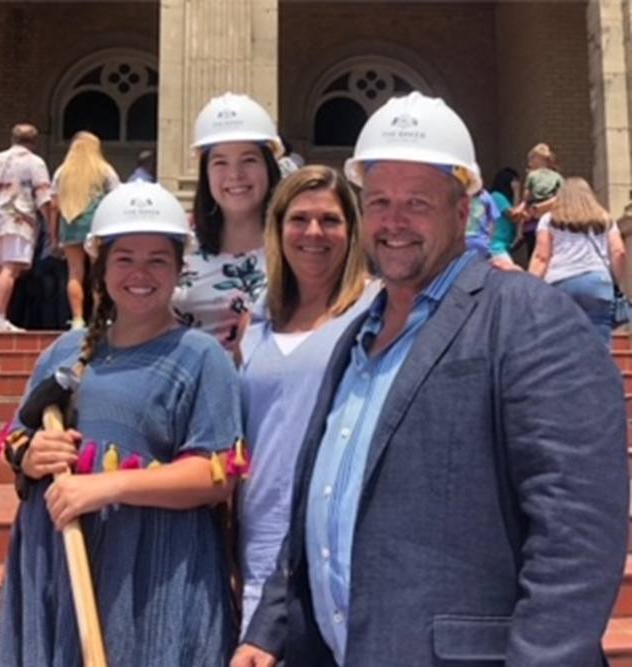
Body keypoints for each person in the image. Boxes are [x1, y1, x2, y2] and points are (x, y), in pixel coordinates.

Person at [232, 92, 628, 667]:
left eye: (417, 203)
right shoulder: (356, 338)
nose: (394, 222)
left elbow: (577, 533)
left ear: (462, 212)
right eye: (381, 201)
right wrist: (269, 628)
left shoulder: (527, 318)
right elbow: (320, 503)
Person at [0, 182, 243, 666]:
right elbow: (15, 440)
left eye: (157, 260)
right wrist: (30, 454)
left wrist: (105, 488)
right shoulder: (64, 352)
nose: (140, 274)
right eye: (124, 258)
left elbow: (216, 476)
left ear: (179, 268)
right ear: (101, 268)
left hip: (154, 571)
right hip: (59, 561)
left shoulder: (201, 357)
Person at [237, 165, 376, 634]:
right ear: (277, 228)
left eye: (331, 220)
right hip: (256, 535)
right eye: (298, 219)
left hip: (335, 542)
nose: (313, 232)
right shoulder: (257, 319)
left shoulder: (375, 311)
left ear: (352, 231)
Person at [172, 92, 282, 352]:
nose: (235, 175)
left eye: (249, 160)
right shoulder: (178, 245)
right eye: (220, 162)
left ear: (269, 167)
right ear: (205, 172)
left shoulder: (297, 246)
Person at [0, 123, 51, 332]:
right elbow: (43, 196)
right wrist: (51, 223)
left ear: (12, 138)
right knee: (10, 268)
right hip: (18, 220)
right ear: (34, 141)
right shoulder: (34, 162)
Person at [528, 176, 626, 344]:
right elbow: (619, 252)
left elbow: (541, 257)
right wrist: (615, 281)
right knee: (599, 342)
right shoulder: (605, 218)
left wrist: (530, 286)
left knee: (561, 341)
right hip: (597, 282)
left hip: (560, 282)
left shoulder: (549, 219)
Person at [51, 131, 119, 329]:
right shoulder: (104, 169)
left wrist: (54, 236)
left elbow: (54, 204)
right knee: (98, 271)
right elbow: (116, 197)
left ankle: (78, 319)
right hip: (96, 225)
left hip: (70, 223)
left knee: (74, 273)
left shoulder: (62, 171)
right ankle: (99, 316)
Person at [511, 142, 563, 257]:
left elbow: (526, 198)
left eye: (531, 159)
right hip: (551, 220)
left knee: (534, 255)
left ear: (538, 159)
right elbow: (562, 197)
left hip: (532, 222)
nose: (529, 163)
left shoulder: (532, 176)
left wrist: (519, 210)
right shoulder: (557, 177)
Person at [489, 167, 523, 271]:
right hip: (496, 245)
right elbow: (514, 215)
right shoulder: (497, 196)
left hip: (504, 244)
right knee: (511, 273)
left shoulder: (506, 199)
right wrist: (517, 192)